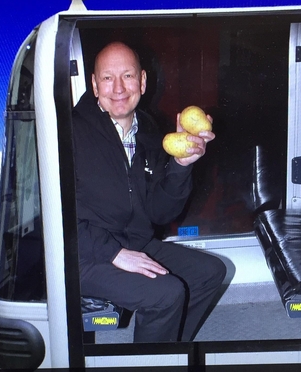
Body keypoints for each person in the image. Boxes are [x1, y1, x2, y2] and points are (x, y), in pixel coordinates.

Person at [72, 41, 227, 343]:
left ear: (142, 81)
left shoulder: (149, 131)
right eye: (107, 77)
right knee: (166, 294)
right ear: (94, 84)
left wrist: (181, 166)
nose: (118, 87)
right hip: (85, 254)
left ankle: (167, 351)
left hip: (135, 242)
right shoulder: (70, 132)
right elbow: (57, 215)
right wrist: (114, 253)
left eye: (127, 76)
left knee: (209, 273)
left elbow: (160, 211)